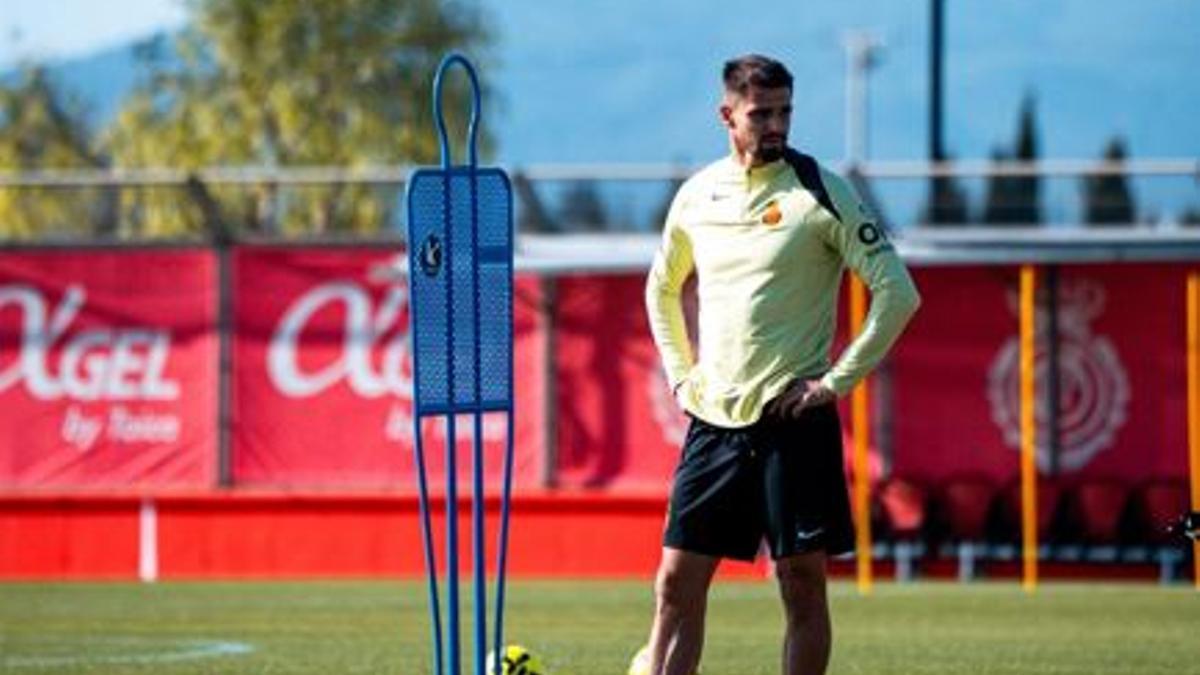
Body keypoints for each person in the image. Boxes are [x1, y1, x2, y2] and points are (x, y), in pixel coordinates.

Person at [640, 54, 921, 675]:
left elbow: (898, 293)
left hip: (794, 422)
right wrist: (681, 375)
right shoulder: (697, 195)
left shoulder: (821, 190)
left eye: (785, 112)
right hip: (713, 423)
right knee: (674, 588)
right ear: (727, 115)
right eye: (761, 113)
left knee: (800, 587)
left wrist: (834, 384)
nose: (776, 125)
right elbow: (661, 289)